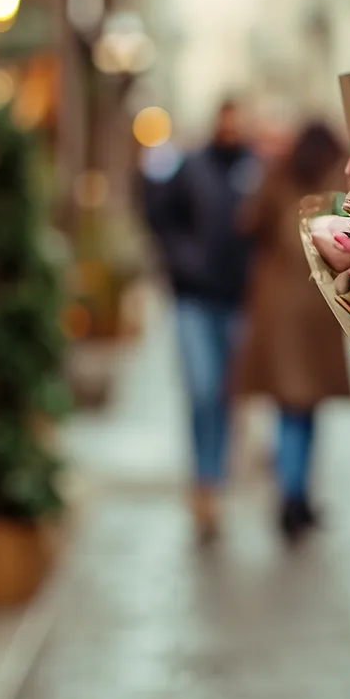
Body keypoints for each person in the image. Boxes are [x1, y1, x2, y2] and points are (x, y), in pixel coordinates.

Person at [232, 120, 350, 538]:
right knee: (307, 406)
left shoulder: (277, 175)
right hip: (318, 305)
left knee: (289, 406)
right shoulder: (338, 179)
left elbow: (249, 225)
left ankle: (292, 493)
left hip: (277, 305)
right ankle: (297, 494)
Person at [145, 99, 257, 543]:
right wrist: (180, 260)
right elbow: (159, 216)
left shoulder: (255, 170)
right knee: (201, 388)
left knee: (227, 394)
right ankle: (204, 481)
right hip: (194, 299)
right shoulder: (191, 167)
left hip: (239, 300)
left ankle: (215, 478)